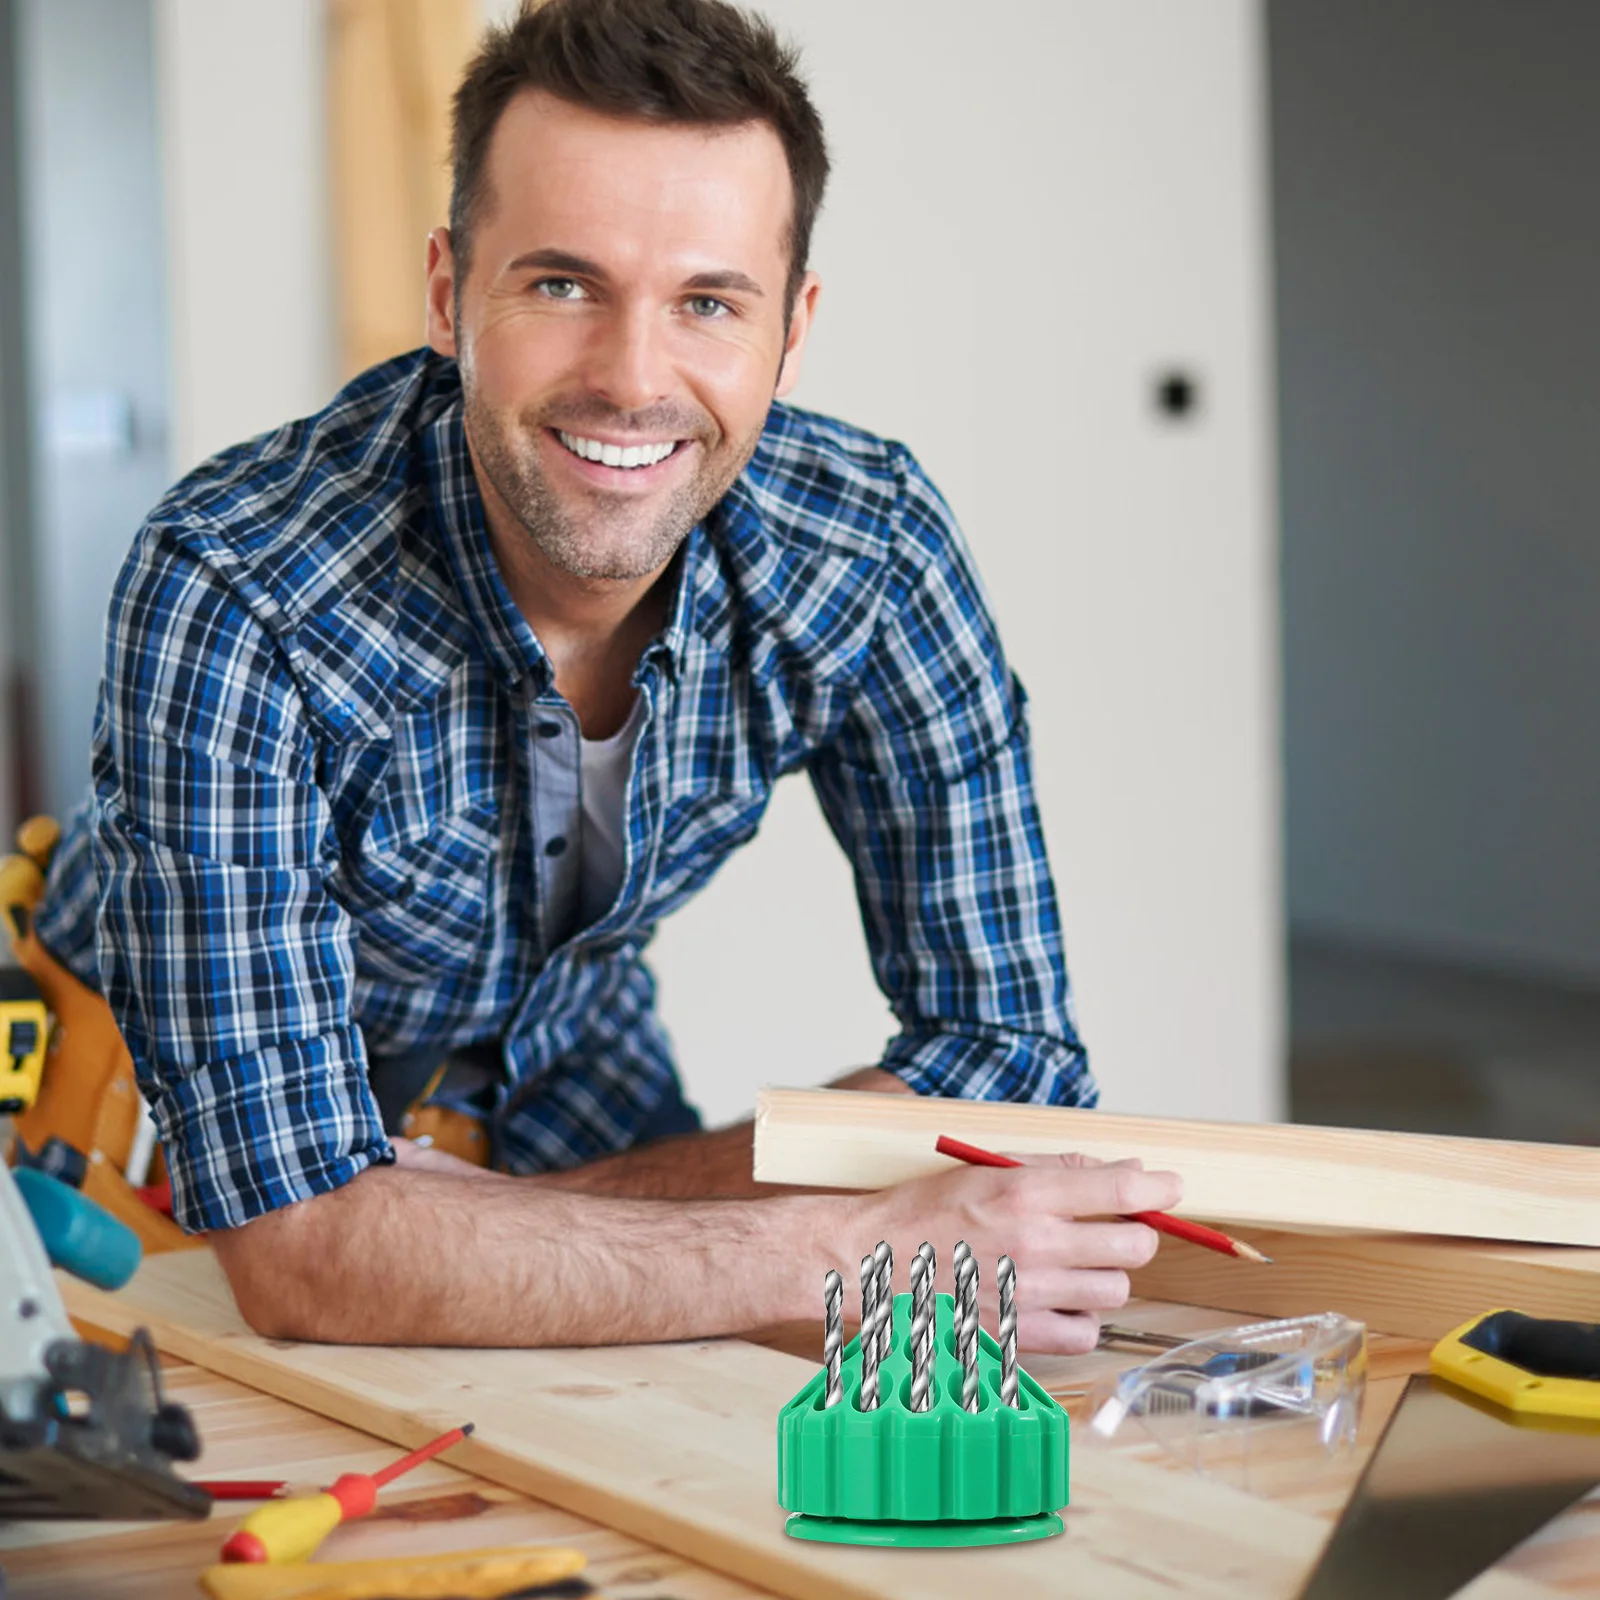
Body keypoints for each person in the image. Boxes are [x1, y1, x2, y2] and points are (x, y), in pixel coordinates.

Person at [32, 0, 1180, 1349]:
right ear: (452, 291)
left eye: (708, 302)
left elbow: (1015, 1068)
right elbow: (298, 1251)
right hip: (135, 1119)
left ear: (792, 329)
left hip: (561, 1077)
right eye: (562, 283)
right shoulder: (236, 582)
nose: (634, 379)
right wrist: (843, 1248)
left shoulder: (867, 550)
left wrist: (504, 1237)